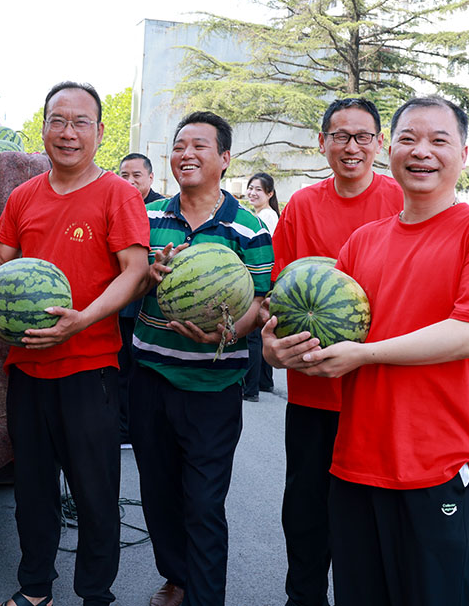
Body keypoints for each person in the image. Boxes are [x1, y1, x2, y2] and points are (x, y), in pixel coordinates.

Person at [264, 96, 469, 606]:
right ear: (391, 150)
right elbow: (319, 328)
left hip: (436, 465)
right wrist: (279, 350)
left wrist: (365, 355)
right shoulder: (362, 242)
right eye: (408, 139)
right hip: (354, 463)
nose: (421, 151)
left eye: (438, 140)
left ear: (463, 154)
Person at [0, 82, 149, 606]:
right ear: (44, 127)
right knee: (32, 490)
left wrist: (83, 320)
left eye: (80, 122)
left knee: (95, 492)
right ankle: (35, 589)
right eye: (58, 120)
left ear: (100, 131)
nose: (68, 132)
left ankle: (95, 593)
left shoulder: (118, 194)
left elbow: (135, 271)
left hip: (89, 367)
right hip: (27, 367)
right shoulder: (23, 196)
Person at [263, 97, 402, 606]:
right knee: (305, 512)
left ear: (379, 143)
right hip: (313, 390)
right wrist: (271, 342)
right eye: (340, 136)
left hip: (378, 390)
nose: (351, 146)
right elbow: (277, 291)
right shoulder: (302, 205)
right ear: (322, 143)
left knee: (366, 518)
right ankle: (303, 598)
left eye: (363, 136)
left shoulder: (401, 198)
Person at [131, 111, 273, 606]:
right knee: (158, 493)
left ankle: (205, 597)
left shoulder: (248, 227)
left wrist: (228, 330)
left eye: (199, 146)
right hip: (151, 378)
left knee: (204, 503)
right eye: (179, 146)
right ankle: (178, 578)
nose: (186, 154)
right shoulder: (147, 218)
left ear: (225, 158)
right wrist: (146, 278)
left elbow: (260, 302)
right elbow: (124, 282)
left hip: (213, 387)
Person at [117, 152, 165, 443]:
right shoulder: (117, 203)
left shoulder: (162, 211)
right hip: (124, 304)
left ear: (150, 177)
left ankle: (145, 427)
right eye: (124, 175)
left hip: (151, 304)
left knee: (145, 368)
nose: (131, 181)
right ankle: (125, 428)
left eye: (137, 175)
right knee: (123, 367)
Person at [242, 171, 281, 401]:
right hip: (268, 278)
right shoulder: (264, 214)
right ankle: (264, 382)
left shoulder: (266, 217)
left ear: (270, 194)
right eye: (250, 188)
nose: (252, 193)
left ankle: (250, 388)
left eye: (258, 189)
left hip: (263, 277)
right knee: (263, 329)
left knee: (254, 334)